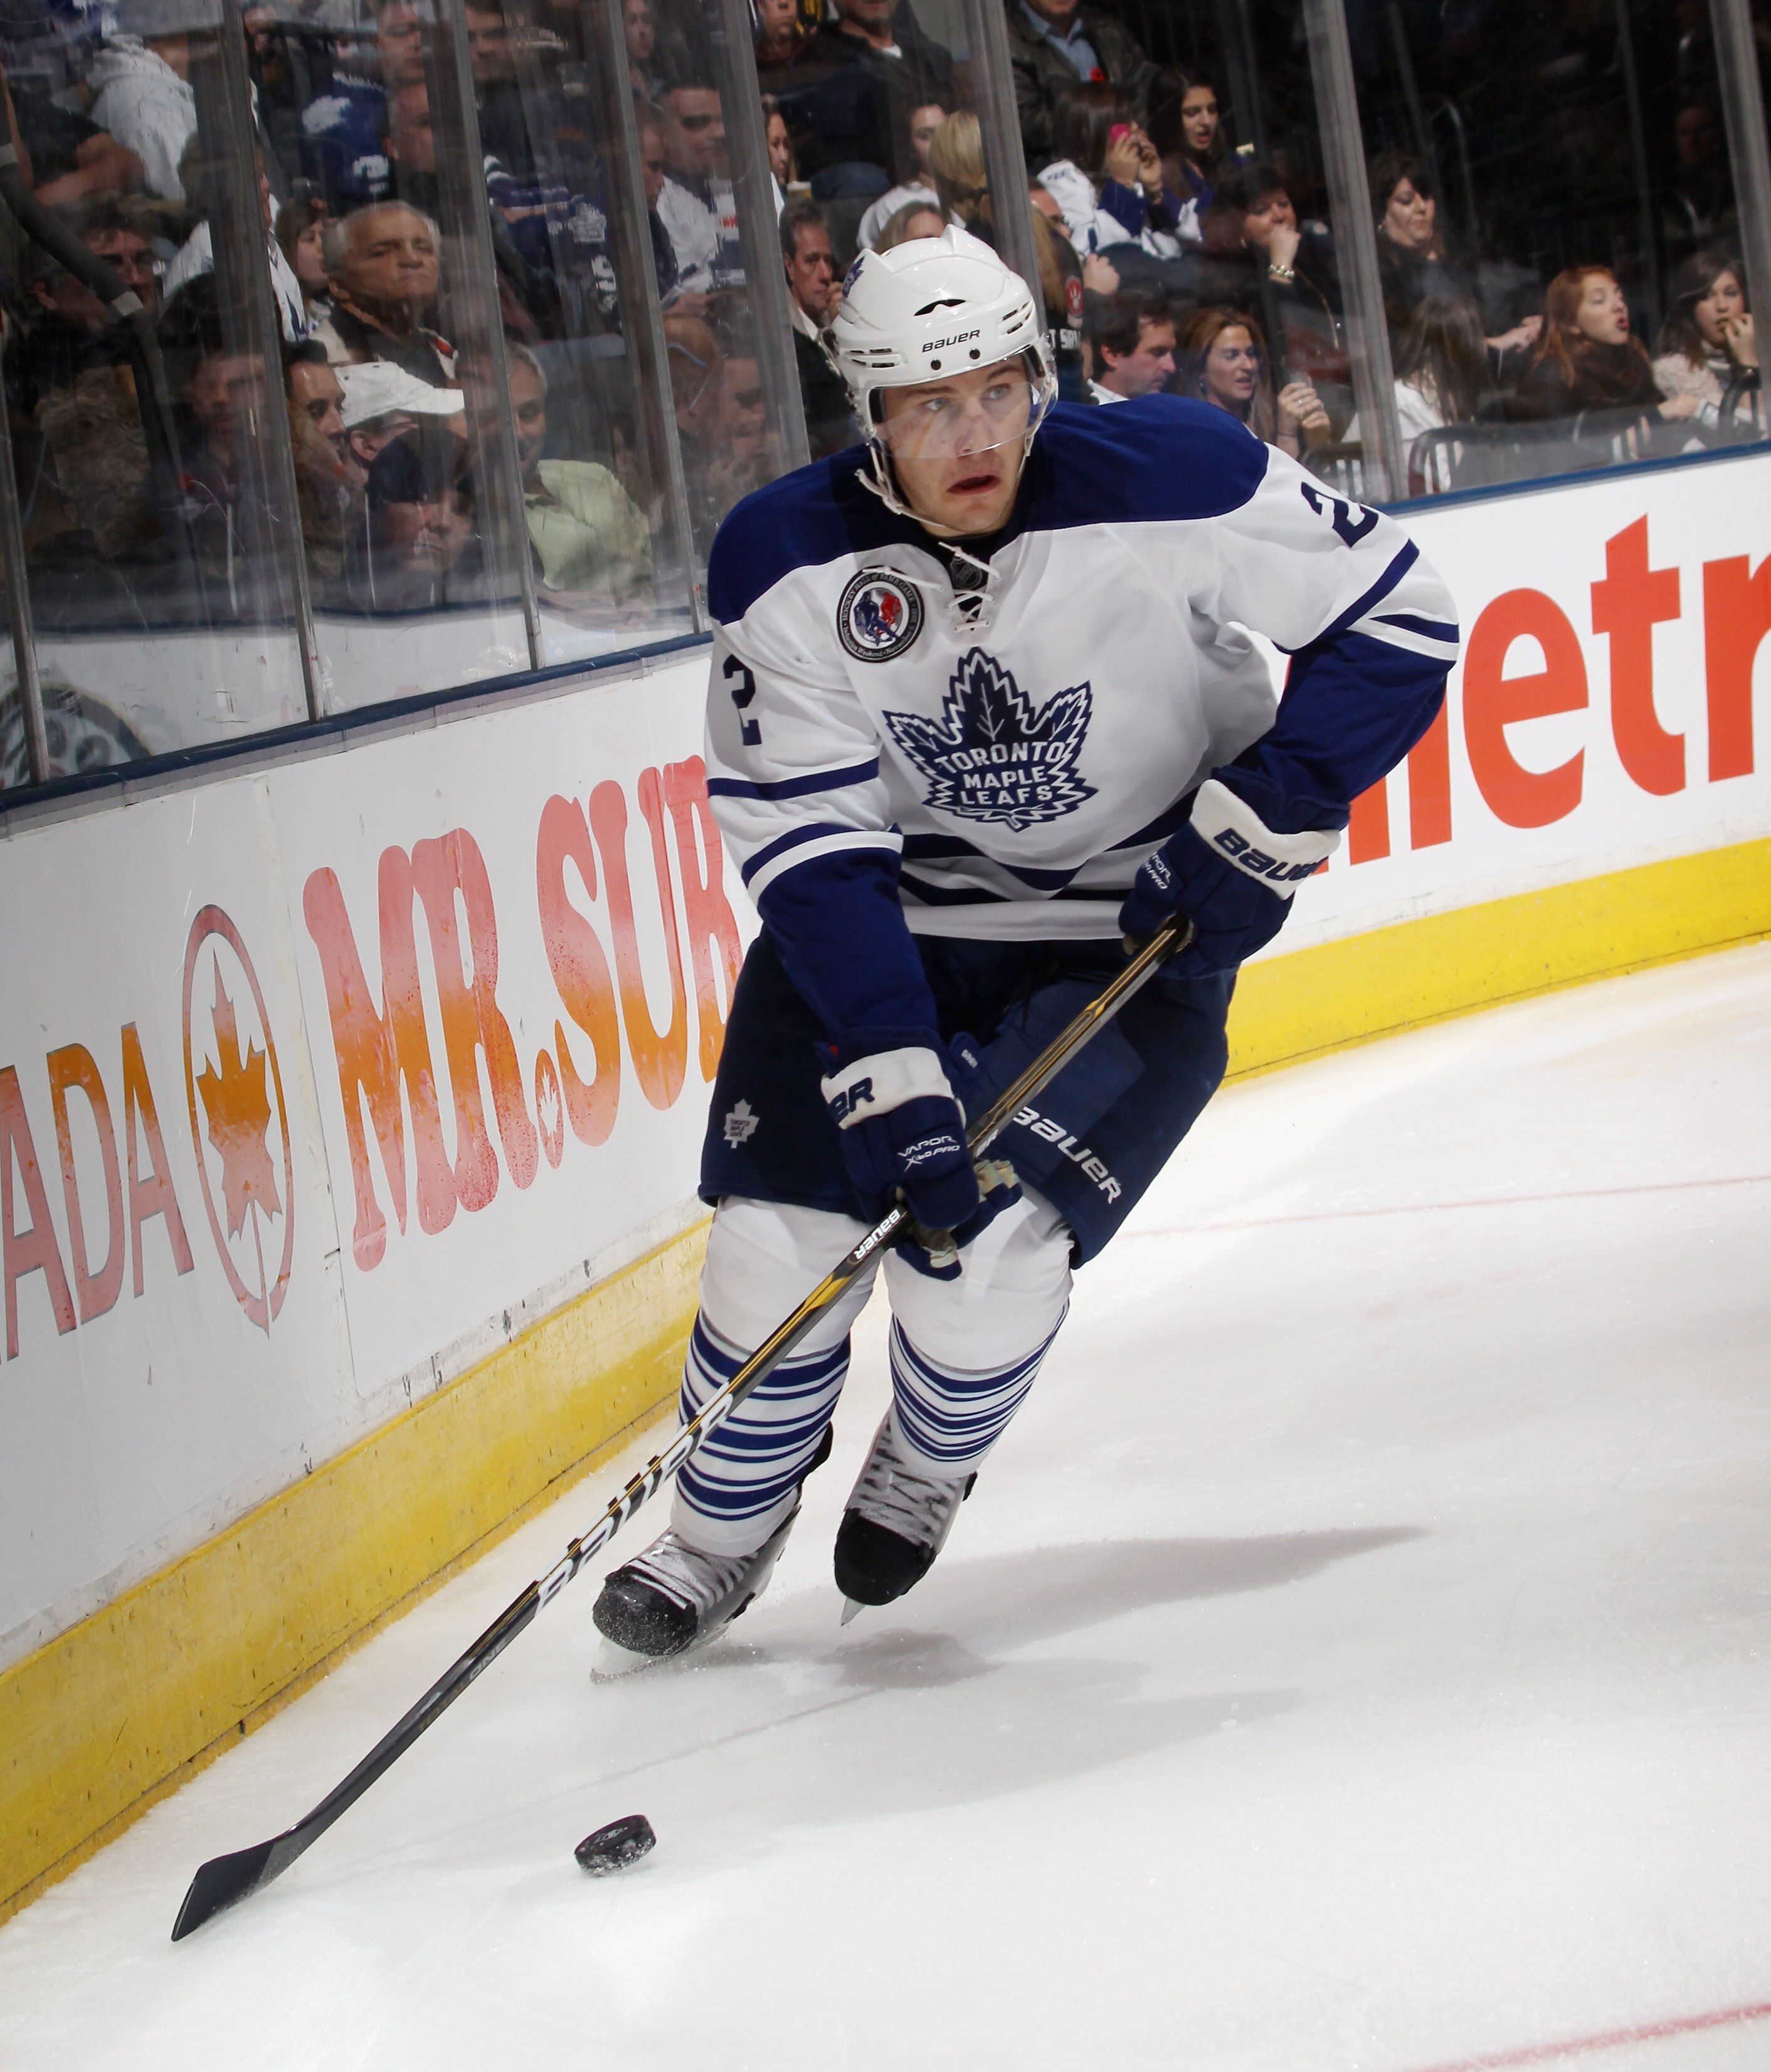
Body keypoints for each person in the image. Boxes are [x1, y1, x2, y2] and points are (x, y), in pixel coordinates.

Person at [589, 225, 1458, 1661]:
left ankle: (929, 1454)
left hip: (1122, 932)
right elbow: (810, 846)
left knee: (980, 1257)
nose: (971, 433)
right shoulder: (785, 556)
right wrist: (889, 1059)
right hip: (892, 934)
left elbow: (1401, 618)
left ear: (1038, 380)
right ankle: (713, 1538)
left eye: (994, 390)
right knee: (774, 1247)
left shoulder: (1177, 473)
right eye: (928, 407)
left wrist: (1266, 817)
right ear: (867, 412)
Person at [495, 341, 653, 606]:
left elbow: (658, 569)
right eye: (500, 419)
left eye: (529, 413)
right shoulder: (488, 516)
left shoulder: (595, 477)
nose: (518, 434)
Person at [1367, 152, 1540, 363]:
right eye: (1406, 201)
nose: (1421, 207)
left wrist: (1530, 324)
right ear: (1382, 214)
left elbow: (1497, 305)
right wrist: (1493, 345)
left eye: (1427, 197)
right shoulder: (1383, 275)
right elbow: (1414, 346)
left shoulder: (1459, 257)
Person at [1511, 267, 1700, 427]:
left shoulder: (1633, 359)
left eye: (1620, 296)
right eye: (1599, 301)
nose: (1619, 305)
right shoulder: (1552, 377)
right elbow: (1565, 446)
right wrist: (1656, 415)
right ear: (1570, 322)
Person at [1037, 82, 1183, 265]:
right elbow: (1087, 253)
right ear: (1090, 137)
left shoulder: (1128, 178)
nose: (1135, 127)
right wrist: (1122, 186)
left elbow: (1181, 245)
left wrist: (1155, 189)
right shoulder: (1062, 180)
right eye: (1124, 124)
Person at [314, 201, 455, 384]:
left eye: (423, 248)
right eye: (382, 252)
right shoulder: (321, 364)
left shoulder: (450, 357)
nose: (412, 259)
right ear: (339, 286)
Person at [1006, 0, 1155, 166]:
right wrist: (1102, 136)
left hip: (1124, 165)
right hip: (1050, 175)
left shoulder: (1106, 28)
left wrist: (1134, 134)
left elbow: (1139, 90)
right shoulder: (1004, 39)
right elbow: (1027, 122)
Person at [1175, 304, 1330, 460]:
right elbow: (1271, 483)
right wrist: (1286, 436)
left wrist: (1318, 444)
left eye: (1251, 354)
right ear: (1199, 369)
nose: (1248, 366)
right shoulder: (1192, 435)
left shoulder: (1272, 422)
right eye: (1231, 356)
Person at [781, 195, 859, 459]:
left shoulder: (838, 325)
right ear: (789, 266)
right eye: (812, 262)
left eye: (828, 261)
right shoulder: (787, 344)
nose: (826, 275)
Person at [1651, 250, 1761, 435]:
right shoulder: (1675, 368)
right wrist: (1747, 366)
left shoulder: (1763, 352)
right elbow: (1746, 430)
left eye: (1731, 293)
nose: (1722, 307)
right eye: (1708, 297)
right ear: (1692, 308)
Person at [855, 98, 946, 251]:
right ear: (909, 145)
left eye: (943, 132)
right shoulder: (890, 207)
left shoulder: (970, 199)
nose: (937, 142)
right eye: (925, 136)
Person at [1149, 69, 1223, 242]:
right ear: (1170, 118)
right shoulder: (1158, 180)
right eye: (1192, 113)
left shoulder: (1229, 163)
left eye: (1211, 110)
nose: (1206, 121)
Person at [1086, 288, 1173, 403]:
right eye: (1158, 352)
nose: (1171, 367)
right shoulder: (1083, 415)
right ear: (1113, 354)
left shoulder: (1161, 411)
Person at [275, 196, 333, 327]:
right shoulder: (290, 316)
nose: (322, 245)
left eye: (325, 235)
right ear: (288, 251)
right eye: (310, 239)